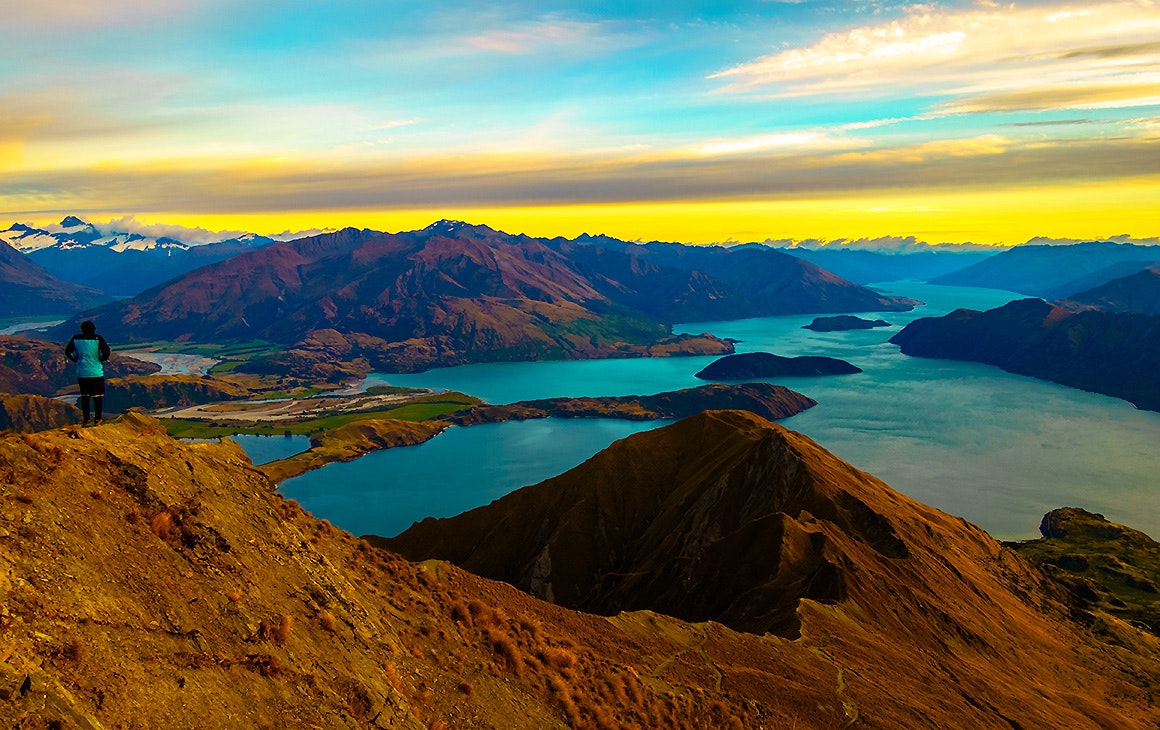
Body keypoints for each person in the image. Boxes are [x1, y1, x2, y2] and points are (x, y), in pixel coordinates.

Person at [64, 320, 111, 426]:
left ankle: (86, 420)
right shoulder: (98, 339)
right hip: (96, 372)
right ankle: (98, 419)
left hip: (82, 372)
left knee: (85, 396)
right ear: (93, 329)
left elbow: (67, 351)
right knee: (97, 396)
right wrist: (101, 359)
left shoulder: (76, 338)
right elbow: (107, 352)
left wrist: (76, 359)